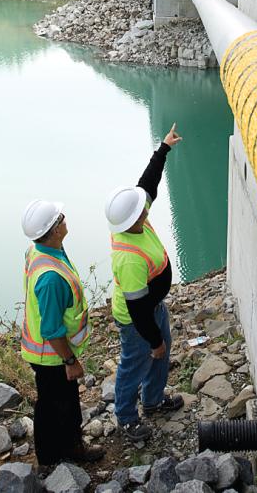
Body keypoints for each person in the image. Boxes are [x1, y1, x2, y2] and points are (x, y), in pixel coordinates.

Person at [104, 123, 185, 442]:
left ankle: (152, 401)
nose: (145, 205)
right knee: (134, 364)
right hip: (136, 320)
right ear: (134, 218)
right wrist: (153, 340)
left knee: (162, 354)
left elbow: (147, 184)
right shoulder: (129, 257)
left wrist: (163, 148)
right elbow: (137, 311)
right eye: (141, 208)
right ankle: (125, 417)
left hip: (152, 307)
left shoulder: (135, 221)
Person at [20, 200, 105, 467]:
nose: (65, 219)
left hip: (46, 353)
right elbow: (51, 329)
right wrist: (70, 361)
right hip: (52, 356)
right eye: (61, 218)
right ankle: (66, 451)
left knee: (51, 403)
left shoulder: (40, 252)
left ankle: (52, 454)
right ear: (55, 231)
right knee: (62, 405)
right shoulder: (51, 277)